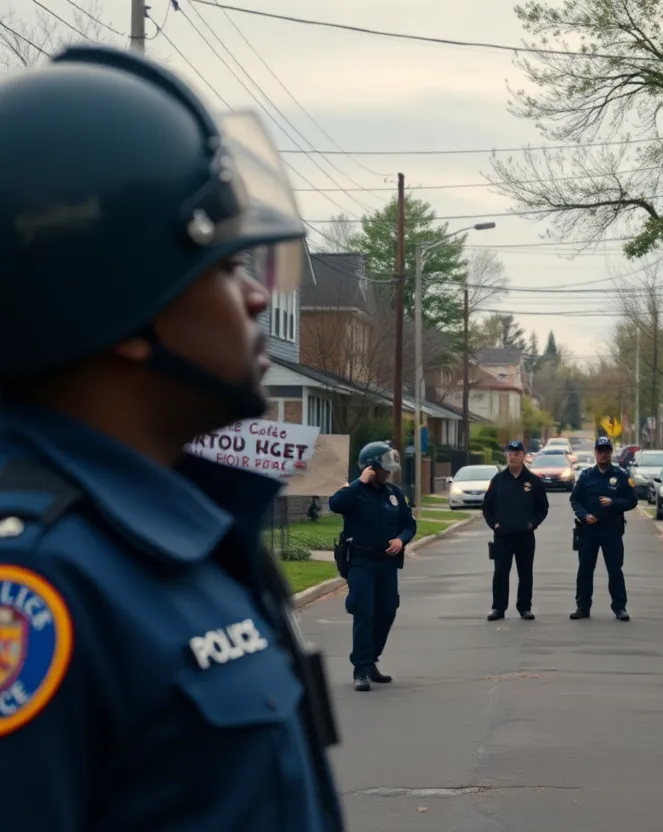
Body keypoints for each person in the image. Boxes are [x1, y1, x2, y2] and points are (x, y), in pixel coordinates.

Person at [0, 45, 343, 830]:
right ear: (120, 309)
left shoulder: (179, 538)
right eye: (224, 268)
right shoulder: (33, 584)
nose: (258, 298)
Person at [329, 441, 416, 692]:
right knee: (364, 612)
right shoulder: (355, 492)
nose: (388, 473)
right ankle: (361, 669)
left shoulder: (394, 493)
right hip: (361, 562)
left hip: (387, 562)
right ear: (370, 468)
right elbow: (336, 504)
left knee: (387, 611)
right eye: (383, 469)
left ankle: (371, 660)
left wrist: (401, 539)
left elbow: (409, 524)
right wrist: (359, 482)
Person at [569, 435, 638, 621]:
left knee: (615, 569)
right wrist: (584, 515)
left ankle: (620, 607)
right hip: (589, 530)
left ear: (610, 452)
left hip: (612, 529)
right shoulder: (586, 476)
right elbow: (575, 499)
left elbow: (632, 500)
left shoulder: (620, 475)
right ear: (595, 452)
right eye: (600, 450)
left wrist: (614, 502)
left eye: (606, 450)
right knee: (585, 570)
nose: (603, 454)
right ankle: (582, 607)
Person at [482, 440, 550, 620]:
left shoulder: (533, 481)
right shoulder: (498, 480)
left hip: (525, 537)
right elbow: (487, 506)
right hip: (503, 536)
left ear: (524, 456)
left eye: (517, 453)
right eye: (510, 453)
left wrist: (532, 524)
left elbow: (542, 508)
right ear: (506, 455)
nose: (513, 457)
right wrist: (494, 524)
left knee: (525, 574)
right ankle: (498, 608)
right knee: (500, 574)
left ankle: (524, 607)